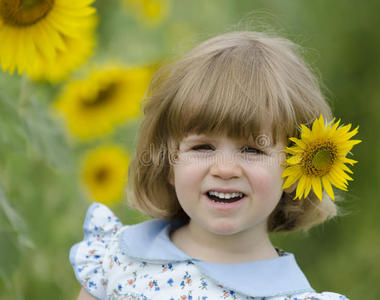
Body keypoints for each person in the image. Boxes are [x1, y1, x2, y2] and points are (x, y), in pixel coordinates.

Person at [70, 31, 350, 300]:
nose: (225, 169)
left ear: (297, 170)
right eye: (203, 147)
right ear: (169, 162)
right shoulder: (120, 257)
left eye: (251, 150)